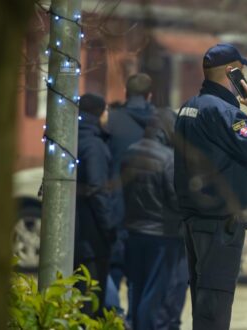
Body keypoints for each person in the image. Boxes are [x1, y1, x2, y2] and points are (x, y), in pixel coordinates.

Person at [174, 44, 247, 329]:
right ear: (232, 73)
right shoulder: (224, 113)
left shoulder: (189, 107)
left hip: (196, 219)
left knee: (203, 305)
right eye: (240, 71)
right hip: (220, 224)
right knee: (215, 309)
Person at [121, 109, 188, 329]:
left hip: (134, 232)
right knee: (155, 294)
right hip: (162, 236)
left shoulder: (130, 152)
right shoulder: (168, 158)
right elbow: (175, 199)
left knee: (137, 289)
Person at [104, 73, 156, 315]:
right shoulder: (161, 122)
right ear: (149, 95)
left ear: (126, 92)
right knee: (141, 277)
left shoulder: (112, 121)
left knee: (111, 271)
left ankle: (114, 320)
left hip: (116, 209)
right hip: (150, 214)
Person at [74, 93, 115, 316]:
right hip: (92, 238)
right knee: (90, 301)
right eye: (106, 110)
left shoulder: (70, 137)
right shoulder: (94, 144)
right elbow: (98, 190)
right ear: (98, 113)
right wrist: (109, 227)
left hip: (75, 234)